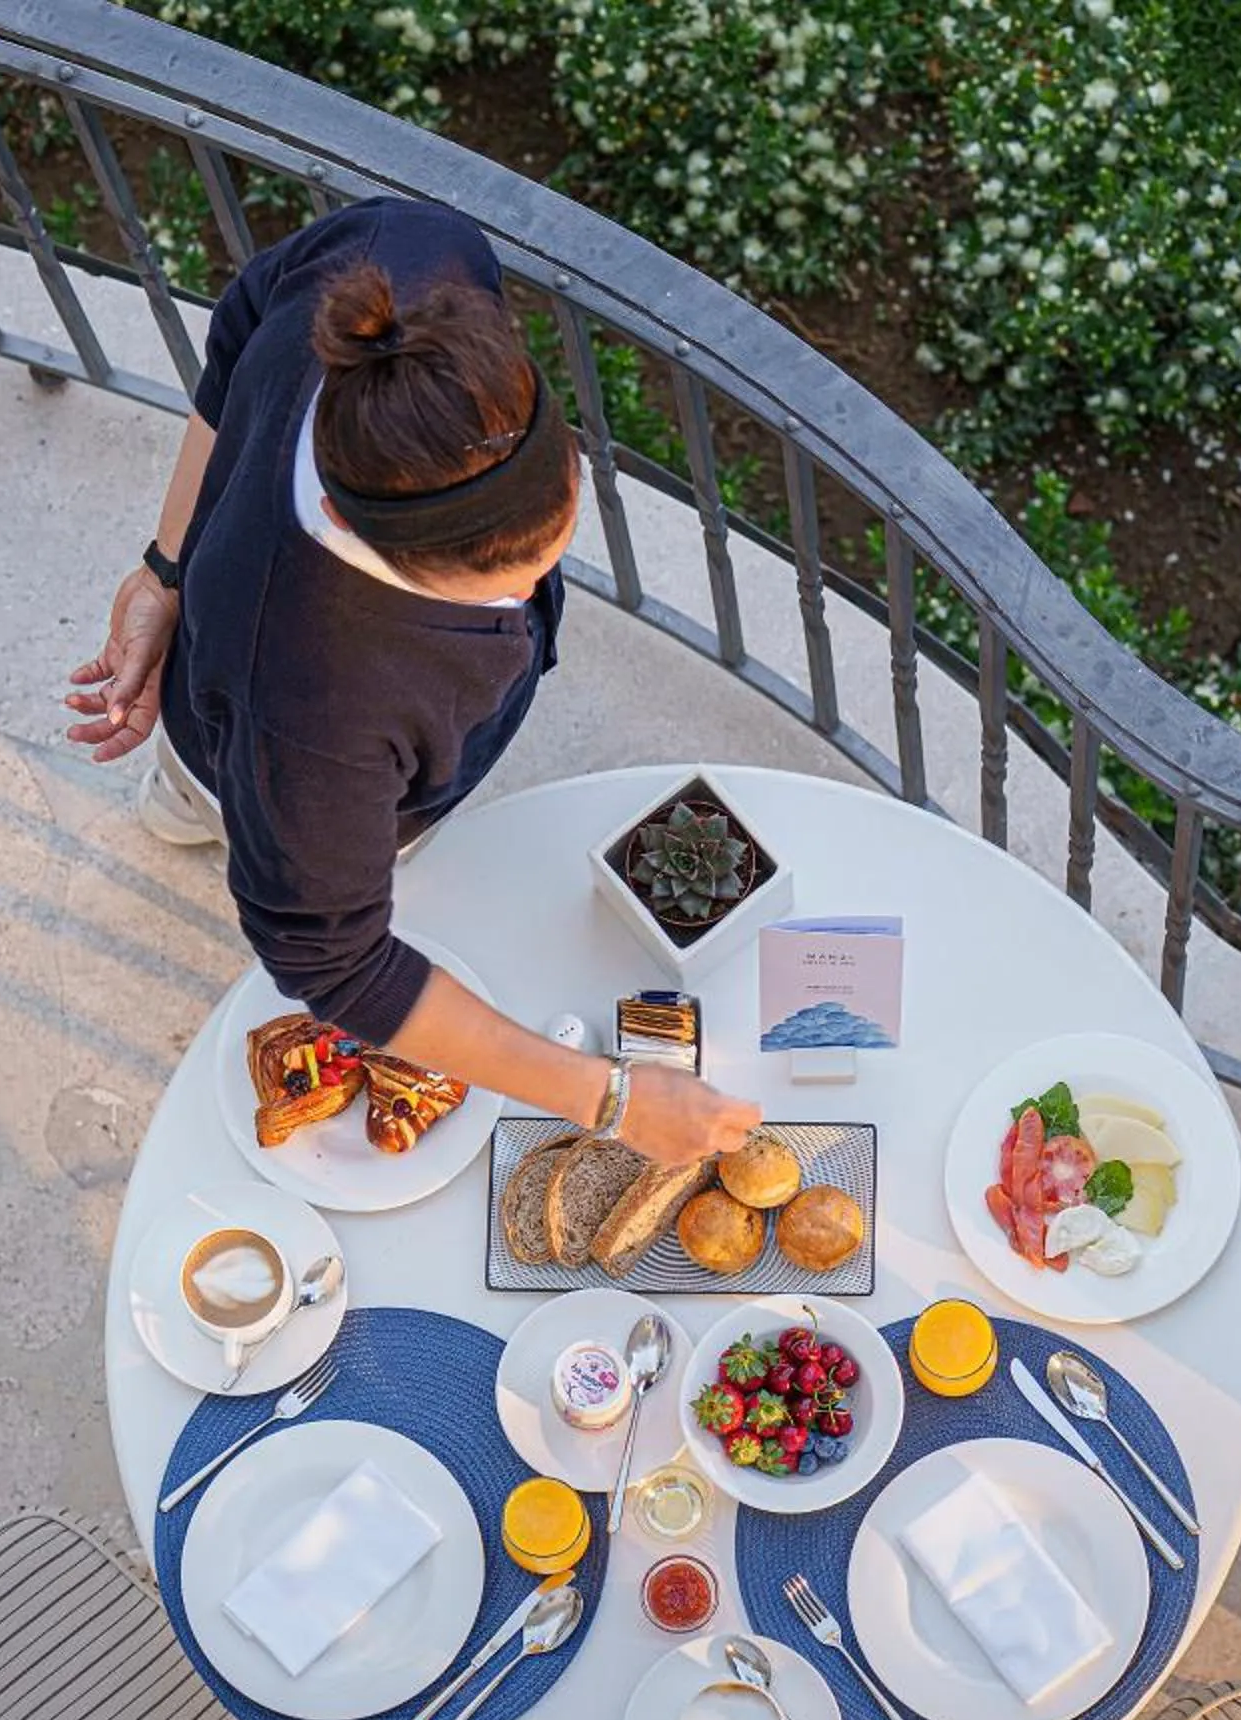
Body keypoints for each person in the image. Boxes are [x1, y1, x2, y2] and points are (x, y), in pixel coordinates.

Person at [67, 198, 761, 1165]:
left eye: (553, 543)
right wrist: (610, 1100)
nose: (525, 607)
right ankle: (179, 811)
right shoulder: (313, 715)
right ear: (361, 535)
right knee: (212, 809)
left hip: (271, 690)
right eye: (502, 586)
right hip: (236, 746)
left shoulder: (413, 257)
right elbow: (333, 960)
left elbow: (241, 315)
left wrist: (164, 569)